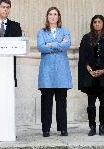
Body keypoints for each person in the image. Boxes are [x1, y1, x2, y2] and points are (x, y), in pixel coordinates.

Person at [78, 15, 104, 136]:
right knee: (91, 103)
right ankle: (92, 127)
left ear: (103, 24)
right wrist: (90, 70)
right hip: (90, 76)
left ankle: (102, 126)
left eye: (99, 22)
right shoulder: (86, 38)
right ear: (92, 24)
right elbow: (83, 57)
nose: (97, 24)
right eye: (95, 22)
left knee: (103, 102)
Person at [37, 7, 72, 137]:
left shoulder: (65, 31)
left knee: (61, 101)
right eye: (50, 14)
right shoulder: (41, 32)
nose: (53, 16)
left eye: (55, 14)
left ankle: (63, 128)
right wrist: (58, 44)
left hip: (62, 71)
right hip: (47, 71)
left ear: (59, 17)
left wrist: (50, 44)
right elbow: (41, 47)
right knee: (46, 101)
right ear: (47, 17)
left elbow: (67, 45)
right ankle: (46, 129)